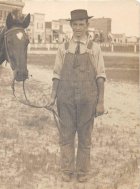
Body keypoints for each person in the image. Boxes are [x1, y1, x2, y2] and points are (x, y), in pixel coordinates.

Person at [47, 9, 106, 182]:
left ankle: (82, 171)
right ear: (71, 26)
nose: (78, 28)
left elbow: (100, 77)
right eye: (75, 25)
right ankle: (66, 169)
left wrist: (100, 102)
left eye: (82, 24)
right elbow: (56, 74)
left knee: (85, 136)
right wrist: (52, 97)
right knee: (66, 135)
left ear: (87, 25)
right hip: (65, 98)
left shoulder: (94, 48)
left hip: (88, 99)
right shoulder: (63, 48)